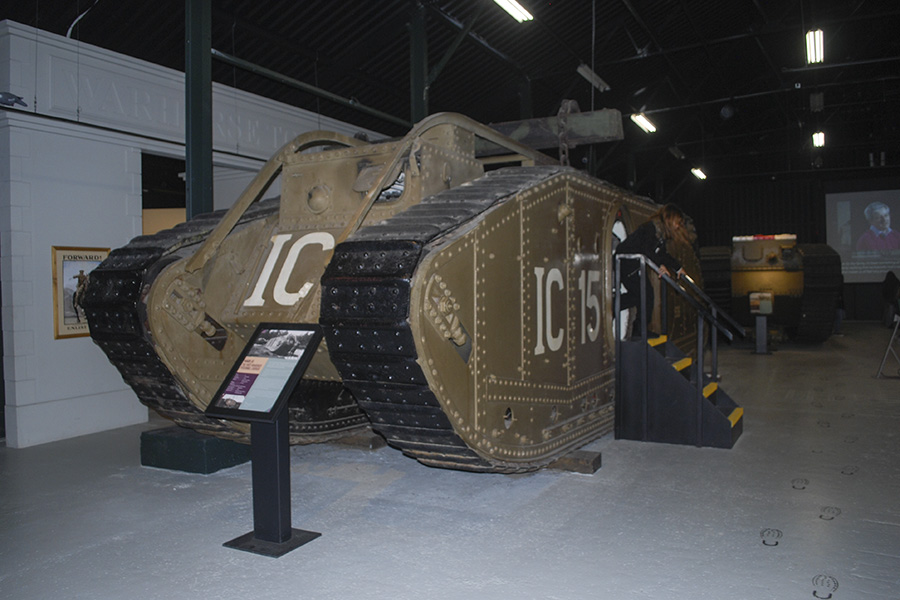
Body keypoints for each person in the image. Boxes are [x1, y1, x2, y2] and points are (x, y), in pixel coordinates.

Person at [614, 203, 689, 337]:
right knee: (645, 294)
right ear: (669, 220)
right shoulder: (650, 229)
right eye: (677, 223)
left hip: (633, 265)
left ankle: (617, 309)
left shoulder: (659, 233)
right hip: (625, 264)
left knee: (643, 295)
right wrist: (660, 265)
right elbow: (647, 250)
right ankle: (637, 329)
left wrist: (678, 268)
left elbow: (662, 254)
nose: (678, 226)